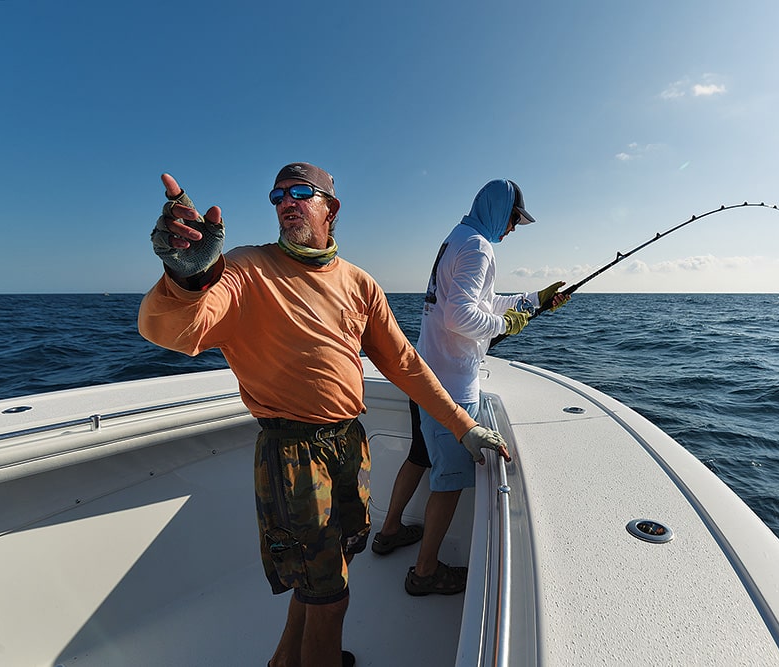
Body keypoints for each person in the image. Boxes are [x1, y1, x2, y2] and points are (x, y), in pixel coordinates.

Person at [138, 162, 511, 667]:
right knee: (330, 595)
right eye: (276, 196)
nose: (285, 202)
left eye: (299, 192)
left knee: (332, 567)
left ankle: (285, 661)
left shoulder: (360, 283)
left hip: (348, 445)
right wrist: (188, 276)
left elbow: (405, 363)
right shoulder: (245, 269)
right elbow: (173, 333)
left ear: (329, 207)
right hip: (291, 453)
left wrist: (464, 427)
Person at [370, 179, 567, 596]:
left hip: (425, 373)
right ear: (499, 209)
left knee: (419, 456)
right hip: (452, 386)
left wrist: (533, 301)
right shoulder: (479, 246)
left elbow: (478, 302)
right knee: (450, 479)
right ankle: (425, 573)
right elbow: (462, 316)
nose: (513, 229)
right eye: (514, 219)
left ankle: (388, 532)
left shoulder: (457, 238)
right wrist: (506, 325)